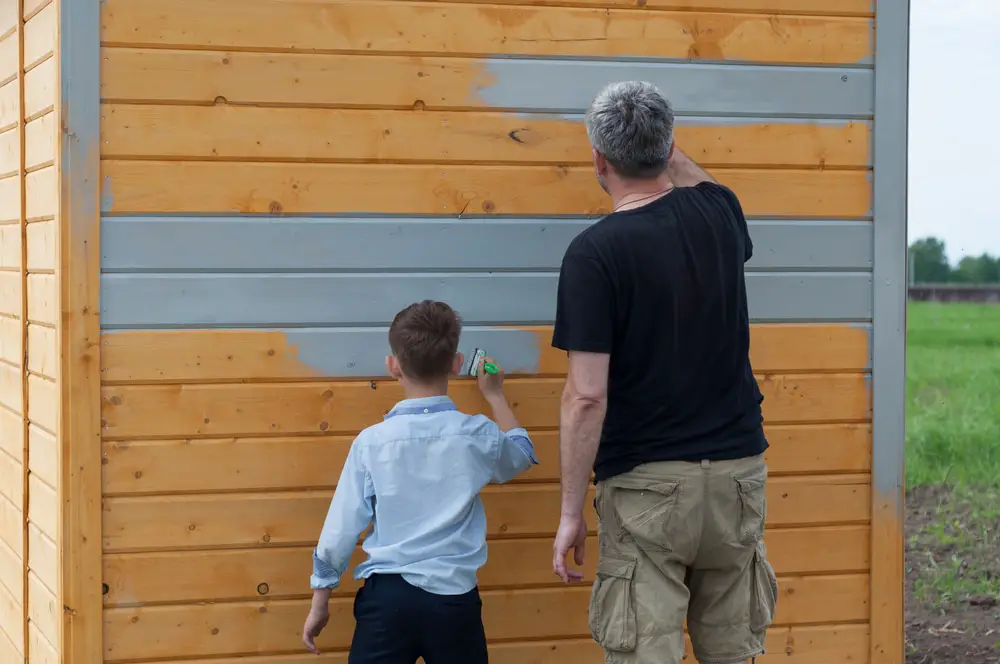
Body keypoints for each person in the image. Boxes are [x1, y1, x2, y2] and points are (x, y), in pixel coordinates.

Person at [550, 81, 779, 664]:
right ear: (670, 143)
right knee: (734, 653)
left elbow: (585, 397)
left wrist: (571, 512)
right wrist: (662, 142)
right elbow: (694, 175)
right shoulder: (720, 213)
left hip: (647, 488)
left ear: (598, 160)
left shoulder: (594, 254)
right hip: (737, 478)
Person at [302, 300, 539, 663]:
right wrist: (495, 395)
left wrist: (320, 600)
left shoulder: (371, 442)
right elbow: (521, 453)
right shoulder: (478, 434)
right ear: (458, 364)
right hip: (453, 602)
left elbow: (341, 527)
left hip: (387, 602)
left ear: (393, 365)